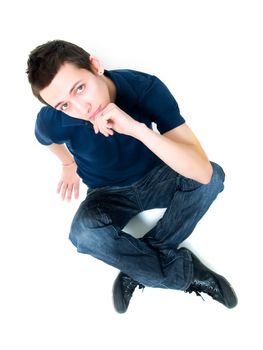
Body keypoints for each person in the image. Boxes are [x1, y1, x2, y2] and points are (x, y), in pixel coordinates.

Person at [26, 39, 237, 313]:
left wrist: (135, 129)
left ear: (95, 66)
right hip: (106, 191)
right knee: (84, 234)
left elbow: (204, 173)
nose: (82, 109)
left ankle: (138, 267)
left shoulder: (144, 87)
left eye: (80, 88)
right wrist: (67, 165)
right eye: (64, 105)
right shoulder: (53, 120)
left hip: (157, 174)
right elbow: (45, 138)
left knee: (213, 178)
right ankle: (183, 273)